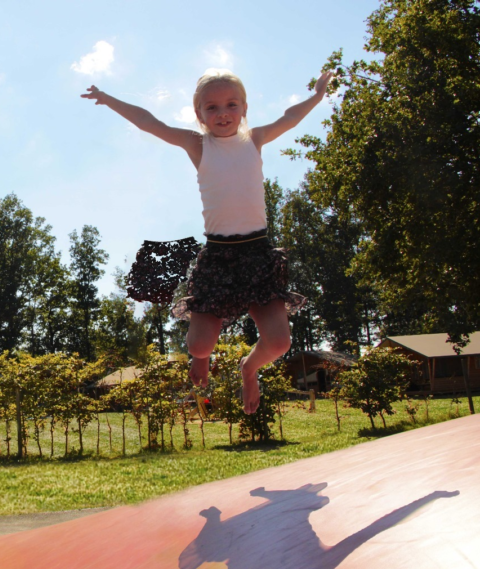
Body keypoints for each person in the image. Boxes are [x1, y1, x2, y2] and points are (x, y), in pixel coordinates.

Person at [81, 69, 332, 414]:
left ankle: (249, 368)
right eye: (211, 108)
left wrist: (317, 96)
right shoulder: (198, 145)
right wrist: (108, 99)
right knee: (199, 345)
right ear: (198, 115)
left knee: (279, 342)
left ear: (244, 108)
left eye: (231, 104)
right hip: (219, 256)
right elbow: (149, 122)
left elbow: (289, 117)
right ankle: (201, 359)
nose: (222, 113)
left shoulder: (255, 139)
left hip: (258, 254)